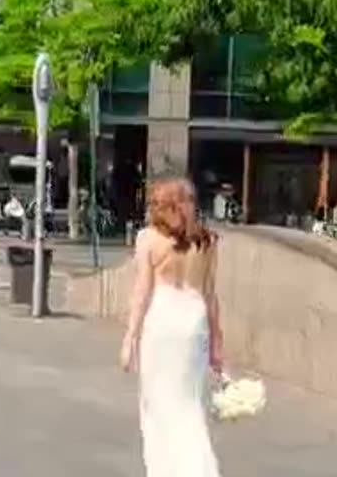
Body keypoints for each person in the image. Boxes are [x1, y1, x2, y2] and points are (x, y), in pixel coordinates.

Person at [120, 178, 222, 477]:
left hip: (162, 320)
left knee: (158, 403)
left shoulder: (148, 239)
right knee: (189, 403)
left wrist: (130, 337)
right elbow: (211, 294)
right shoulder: (207, 241)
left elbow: (142, 292)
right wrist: (217, 342)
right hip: (194, 321)